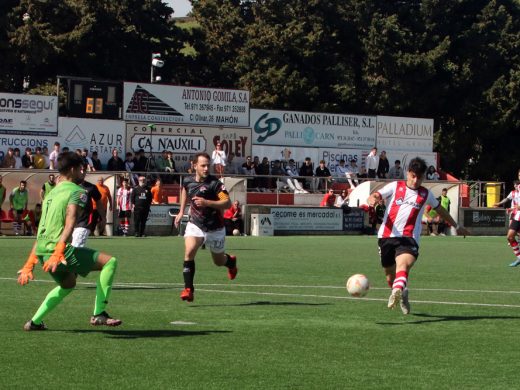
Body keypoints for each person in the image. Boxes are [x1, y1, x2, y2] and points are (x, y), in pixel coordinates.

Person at [17, 151, 122, 330]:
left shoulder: (51, 194)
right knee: (110, 262)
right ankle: (99, 313)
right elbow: (70, 221)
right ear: (72, 169)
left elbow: (42, 229)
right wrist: (59, 251)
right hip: (58, 253)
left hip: (43, 252)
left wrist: (29, 263)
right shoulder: (78, 191)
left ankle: (34, 322)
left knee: (68, 284)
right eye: (82, 169)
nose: (84, 172)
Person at [367, 157, 469, 315]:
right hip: (387, 237)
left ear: (423, 177)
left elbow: (440, 210)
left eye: (419, 177)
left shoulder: (425, 194)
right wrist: (372, 200)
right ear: (408, 173)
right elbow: (375, 195)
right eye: (413, 176)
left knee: (403, 265)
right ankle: (402, 292)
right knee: (389, 277)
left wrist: (457, 226)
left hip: (409, 238)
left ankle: (397, 290)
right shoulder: (395, 186)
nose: (415, 181)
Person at [174, 152, 238, 302]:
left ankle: (230, 262)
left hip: (215, 227)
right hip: (195, 224)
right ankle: (188, 289)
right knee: (189, 251)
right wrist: (181, 211)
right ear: (194, 166)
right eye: (202, 165)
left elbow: (227, 203)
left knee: (218, 261)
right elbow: (184, 190)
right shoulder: (188, 181)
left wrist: (207, 203)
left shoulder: (215, 184)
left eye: (207, 165)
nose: (206, 168)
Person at [72, 167, 101, 247]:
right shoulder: (69, 186)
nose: (82, 172)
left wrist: (103, 216)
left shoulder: (91, 187)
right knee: (70, 249)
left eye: (84, 170)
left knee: (76, 248)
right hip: (70, 222)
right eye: (80, 169)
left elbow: (99, 201)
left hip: (84, 222)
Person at [493, 181, 520, 267]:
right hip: (516, 215)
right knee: (510, 237)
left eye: (517, 184)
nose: (516, 186)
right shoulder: (513, 193)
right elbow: (507, 199)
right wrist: (499, 203)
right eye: (515, 185)